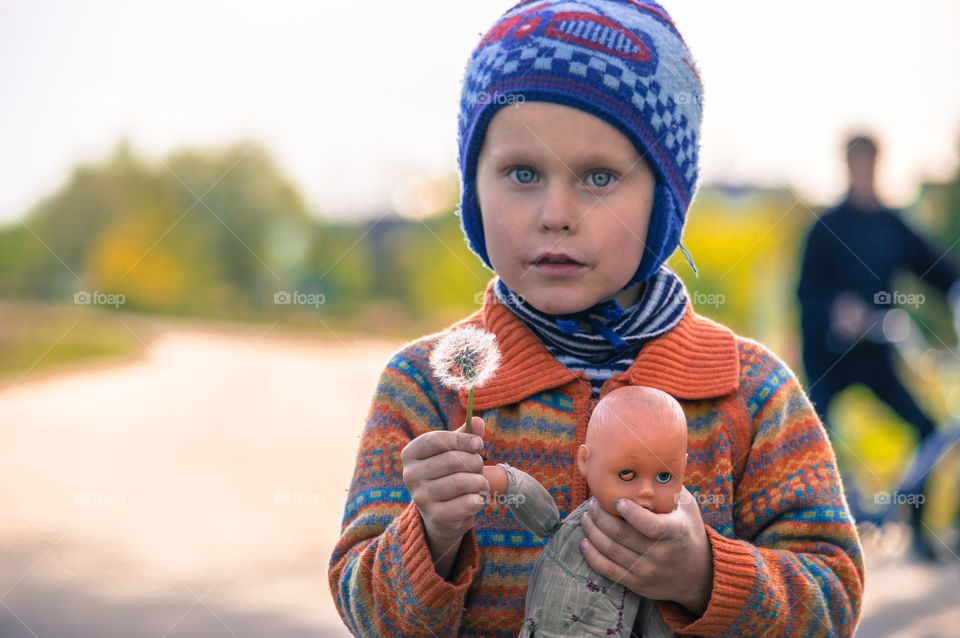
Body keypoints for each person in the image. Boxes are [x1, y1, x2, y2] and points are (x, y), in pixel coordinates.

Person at [329, 2, 864, 636]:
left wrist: (704, 577)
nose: (556, 212)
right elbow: (367, 612)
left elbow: (833, 601)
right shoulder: (427, 388)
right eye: (521, 173)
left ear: (663, 198)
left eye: (599, 177)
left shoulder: (751, 392)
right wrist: (432, 537)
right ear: (474, 187)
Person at [797, 133, 960, 561]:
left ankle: (920, 537)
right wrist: (835, 311)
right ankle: (815, 541)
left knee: (926, 429)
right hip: (829, 360)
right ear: (847, 166)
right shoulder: (825, 226)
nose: (864, 171)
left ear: (878, 164)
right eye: (857, 163)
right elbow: (804, 296)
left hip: (877, 358)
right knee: (811, 438)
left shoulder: (891, 226)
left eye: (870, 163)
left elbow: (935, 270)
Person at [481, 385, 687, 637]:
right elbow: (546, 522)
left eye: (664, 476)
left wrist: (695, 577)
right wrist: (506, 481)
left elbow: (658, 616)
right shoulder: (578, 525)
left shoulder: (662, 552)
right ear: (585, 462)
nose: (646, 491)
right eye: (627, 475)